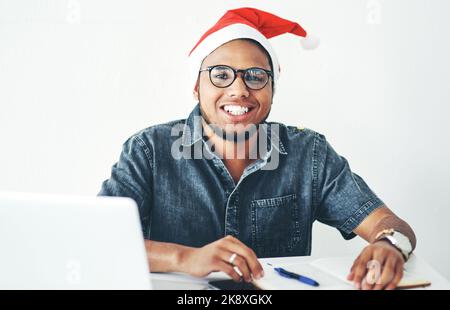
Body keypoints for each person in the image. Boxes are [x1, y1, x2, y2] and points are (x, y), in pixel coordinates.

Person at [98, 7, 416, 290]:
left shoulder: (310, 155)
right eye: (221, 75)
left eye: (255, 76)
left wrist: (389, 246)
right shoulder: (149, 150)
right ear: (196, 87)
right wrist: (184, 258)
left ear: (272, 89)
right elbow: (100, 239)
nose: (239, 90)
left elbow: (391, 225)